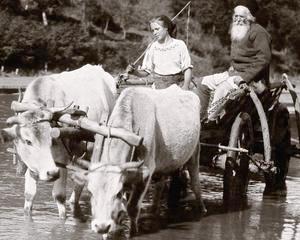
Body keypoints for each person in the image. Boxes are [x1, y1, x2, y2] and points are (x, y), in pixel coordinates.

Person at [198, 0, 271, 120]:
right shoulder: (238, 30)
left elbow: (263, 60)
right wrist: (232, 68)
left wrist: (245, 77)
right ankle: (201, 118)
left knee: (223, 88)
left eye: (241, 16)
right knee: (202, 83)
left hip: (253, 79)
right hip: (234, 74)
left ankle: (212, 121)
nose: (237, 19)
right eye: (235, 15)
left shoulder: (259, 32)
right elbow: (239, 56)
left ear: (250, 17)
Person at [123, 15, 193, 90]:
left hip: (178, 87)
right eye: (153, 30)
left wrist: (186, 86)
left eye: (157, 29)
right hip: (159, 89)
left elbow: (187, 68)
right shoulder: (152, 47)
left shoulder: (179, 44)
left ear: (166, 28)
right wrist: (134, 72)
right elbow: (146, 72)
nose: (154, 33)